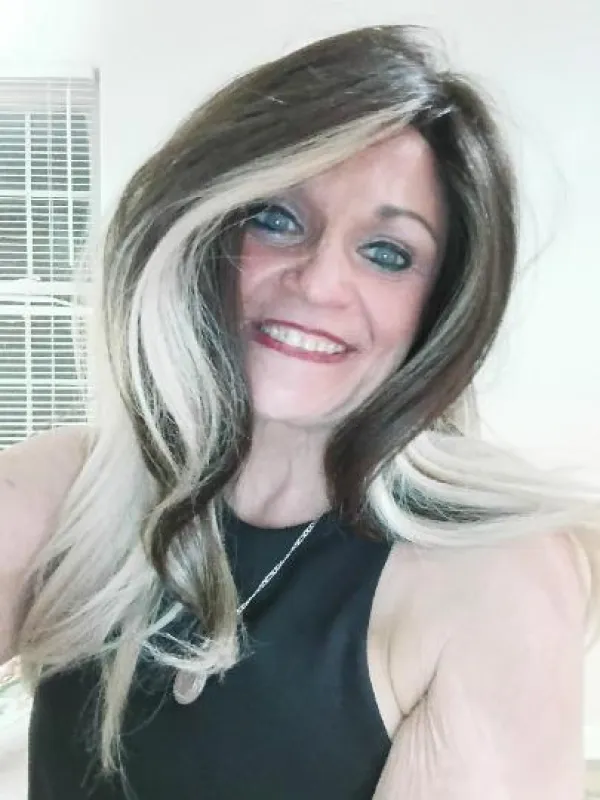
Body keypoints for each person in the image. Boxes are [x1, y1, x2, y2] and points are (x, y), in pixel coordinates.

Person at [0, 23, 598, 800]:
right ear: (206, 229)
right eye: (277, 219)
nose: (317, 283)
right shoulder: (67, 493)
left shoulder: (494, 582)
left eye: (387, 253)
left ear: (440, 308)